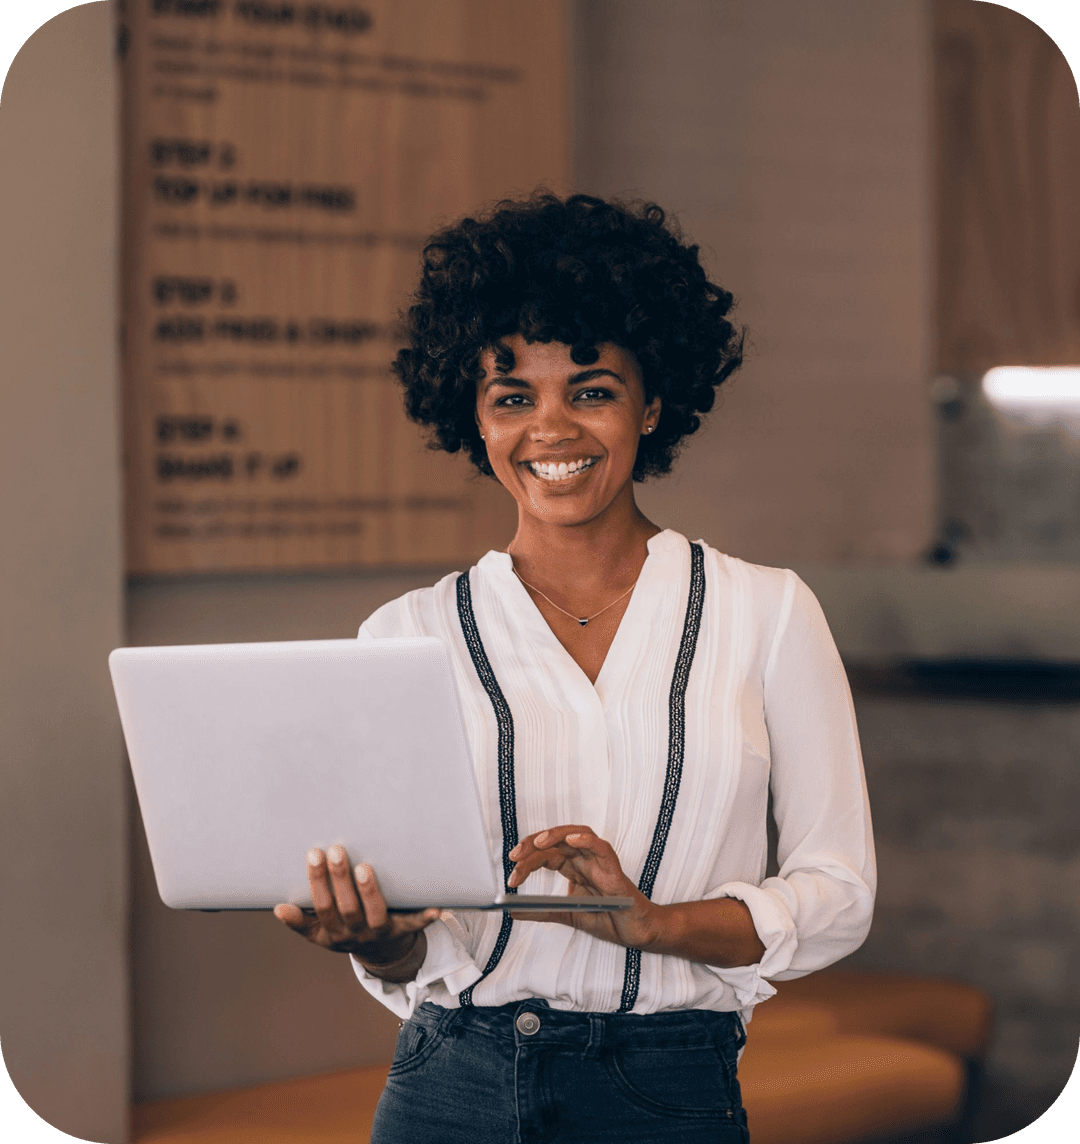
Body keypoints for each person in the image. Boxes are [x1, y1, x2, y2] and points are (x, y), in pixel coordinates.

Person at [273, 191, 876, 1143]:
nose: (550, 430)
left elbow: (840, 892)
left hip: (667, 1087)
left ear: (653, 404)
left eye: (590, 390)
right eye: (513, 398)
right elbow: (417, 943)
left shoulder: (767, 612)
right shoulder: (404, 635)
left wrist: (656, 924)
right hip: (448, 1086)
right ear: (474, 421)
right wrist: (378, 939)